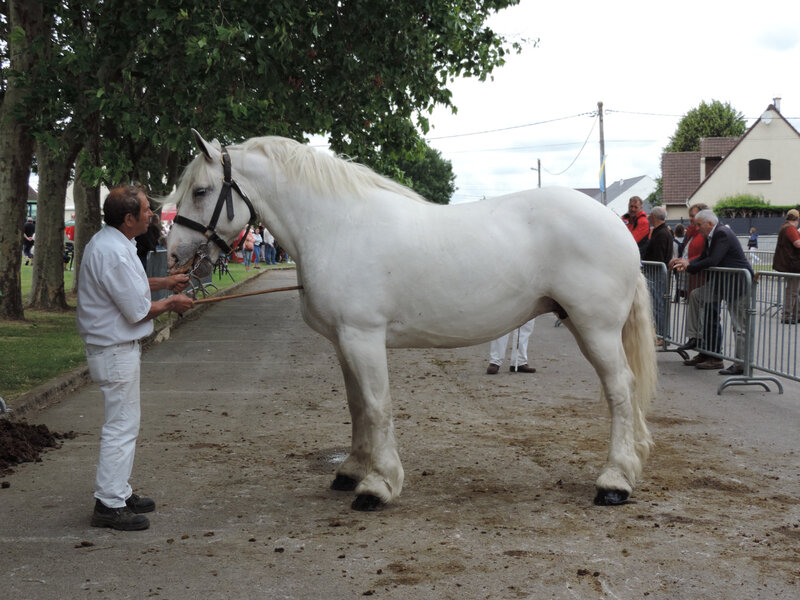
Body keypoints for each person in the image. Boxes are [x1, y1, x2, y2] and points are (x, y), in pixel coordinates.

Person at [77, 184, 195, 531]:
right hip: (114, 351)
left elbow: (132, 283)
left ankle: (118, 491)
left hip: (114, 349)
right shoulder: (112, 251)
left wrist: (165, 281)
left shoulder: (115, 242)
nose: (152, 215)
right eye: (146, 210)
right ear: (129, 218)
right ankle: (108, 504)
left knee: (125, 424)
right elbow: (137, 311)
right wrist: (172, 303)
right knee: (121, 427)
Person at [669, 210, 753, 375]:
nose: (696, 227)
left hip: (737, 285)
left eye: (699, 224)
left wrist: (690, 267)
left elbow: (713, 260)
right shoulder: (713, 235)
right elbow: (705, 256)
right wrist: (688, 261)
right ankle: (695, 337)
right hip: (721, 282)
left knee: (739, 326)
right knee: (697, 295)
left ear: (709, 223)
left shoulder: (721, 233)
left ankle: (742, 365)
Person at [642, 206, 673, 341]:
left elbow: (659, 257)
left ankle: (662, 335)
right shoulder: (662, 231)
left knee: (658, 304)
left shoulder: (661, 233)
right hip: (657, 272)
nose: (649, 218)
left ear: (654, 217)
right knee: (657, 304)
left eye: (650, 216)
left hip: (657, 273)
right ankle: (660, 334)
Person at [772, 209, 800, 324]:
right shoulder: (790, 229)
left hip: (790, 264)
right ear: (797, 219)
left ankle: (795, 314)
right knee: (793, 291)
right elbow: (797, 243)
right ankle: (788, 315)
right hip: (792, 265)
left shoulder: (785, 227)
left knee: (795, 291)